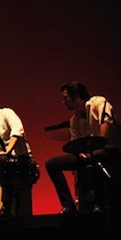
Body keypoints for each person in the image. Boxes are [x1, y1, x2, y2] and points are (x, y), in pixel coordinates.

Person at [45, 82, 120, 215]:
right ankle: (69, 206)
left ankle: (99, 203)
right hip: (90, 154)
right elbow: (76, 144)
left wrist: (97, 146)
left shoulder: (98, 103)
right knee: (51, 164)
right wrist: (80, 153)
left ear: (77, 96)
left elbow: (106, 123)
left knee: (97, 155)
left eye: (66, 98)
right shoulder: (75, 120)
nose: (63, 102)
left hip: (110, 150)